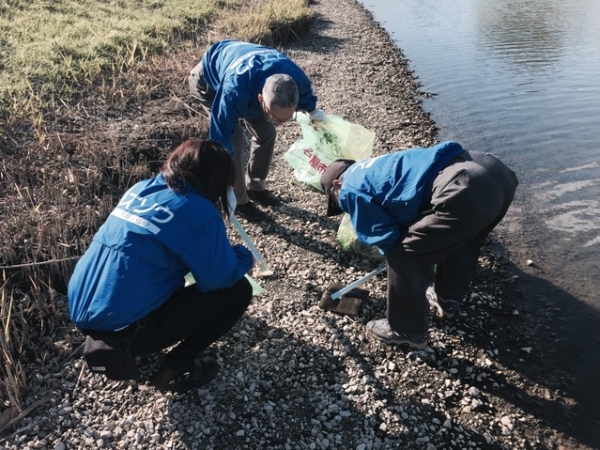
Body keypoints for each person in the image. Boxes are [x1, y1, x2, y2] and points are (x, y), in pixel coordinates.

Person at [68, 139, 254, 391]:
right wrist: (244, 256)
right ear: (216, 180)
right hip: (123, 331)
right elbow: (222, 277)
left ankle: (133, 337)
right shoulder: (199, 211)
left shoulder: (141, 188)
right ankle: (177, 368)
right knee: (239, 291)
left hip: (81, 313)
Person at [320, 141, 518, 349]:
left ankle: (406, 330)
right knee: (462, 240)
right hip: (496, 173)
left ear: (336, 184)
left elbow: (388, 238)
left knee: (403, 255)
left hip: (464, 185)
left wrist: (406, 256)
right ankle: (447, 300)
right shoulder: (374, 167)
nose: (341, 205)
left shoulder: (349, 188)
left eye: (335, 201)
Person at [188, 39, 325, 222]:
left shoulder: (296, 79)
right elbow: (220, 136)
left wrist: (314, 114)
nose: (280, 123)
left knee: (267, 133)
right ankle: (239, 201)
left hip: (250, 80)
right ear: (261, 99)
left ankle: (255, 186)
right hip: (208, 83)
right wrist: (223, 178)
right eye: (275, 117)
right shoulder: (234, 91)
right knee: (235, 140)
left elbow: (307, 101)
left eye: (286, 118)